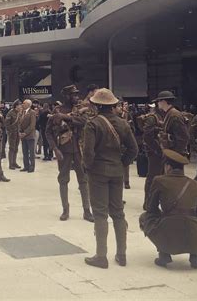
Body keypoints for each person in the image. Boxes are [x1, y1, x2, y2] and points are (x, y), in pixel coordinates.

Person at [83, 88, 138, 268]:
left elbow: (88, 152)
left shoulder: (92, 124)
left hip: (98, 172)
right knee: (118, 213)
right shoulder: (123, 124)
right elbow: (134, 150)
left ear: (97, 105)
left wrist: (88, 167)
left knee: (100, 213)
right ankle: (121, 255)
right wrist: (122, 163)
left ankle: (101, 256)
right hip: (117, 171)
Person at [139, 149, 197, 269]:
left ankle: (164, 253)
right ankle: (195, 255)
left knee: (144, 218)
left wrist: (164, 214)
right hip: (193, 228)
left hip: (169, 225)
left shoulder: (159, 180)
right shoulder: (193, 183)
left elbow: (151, 208)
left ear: (168, 167)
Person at [46, 85, 94, 222]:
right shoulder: (57, 111)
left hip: (79, 149)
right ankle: (65, 210)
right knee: (63, 179)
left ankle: (87, 210)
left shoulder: (79, 110)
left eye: (77, 94)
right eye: (74, 95)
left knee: (83, 180)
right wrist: (55, 149)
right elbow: (48, 132)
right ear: (67, 96)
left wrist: (65, 117)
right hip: (64, 150)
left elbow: (84, 122)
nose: (77, 97)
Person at [140, 103, 166, 210]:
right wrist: (156, 149)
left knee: (161, 176)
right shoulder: (152, 118)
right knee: (152, 177)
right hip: (154, 152)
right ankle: (148, 202)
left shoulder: (164, 116)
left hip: (162, 150)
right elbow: (147, 136)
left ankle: (156, 201)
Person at [154, 91, 189, 156]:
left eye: (159, 101)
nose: (158, 103)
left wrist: (176, 155)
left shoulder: (174, 115)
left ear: (164, 101)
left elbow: (183, 137)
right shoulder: (169, 113)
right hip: (169, 151)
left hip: (174, 153)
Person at [19, 99, 37, 172]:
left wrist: (25, 133)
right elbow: (20, 123)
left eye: (24, 103)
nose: (22, 105)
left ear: (28, 105)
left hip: (30, 135)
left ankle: (31, 167)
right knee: (24, 152)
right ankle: (26, 166)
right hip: (23, 136)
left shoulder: (32, 112)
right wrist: (20, 132)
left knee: (31, 152)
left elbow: (32, 125)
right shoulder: (22, 112)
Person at [5, 100, 22, 169]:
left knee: (16, 148)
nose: (20, 106)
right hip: (12, 133)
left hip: (17, 133)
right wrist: (10, 132)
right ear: (16, 105)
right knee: (11, 148)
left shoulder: (19, 113)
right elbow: (7, 124)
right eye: (19, 105)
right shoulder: (10, 113)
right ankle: (10, 164)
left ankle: (14, 162)